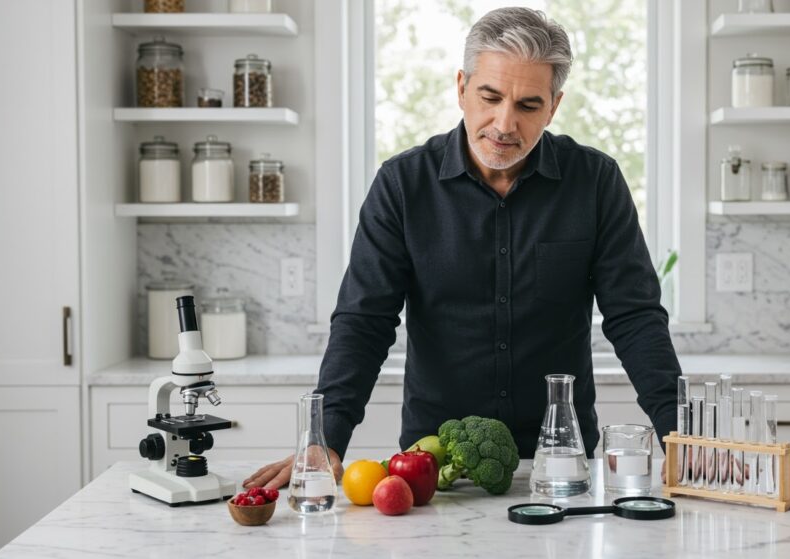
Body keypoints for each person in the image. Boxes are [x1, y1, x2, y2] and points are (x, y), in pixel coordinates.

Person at [244, 6, 681, 491]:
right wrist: (325, 436)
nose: (504, 123)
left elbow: (636, 316)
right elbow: (364, 320)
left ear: (554, 106)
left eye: (528, 106)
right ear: (461, 88)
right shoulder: (402, 184)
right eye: (489, 97)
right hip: (433, 467)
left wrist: (679, 432)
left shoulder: (595, 182)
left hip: (559, 465)